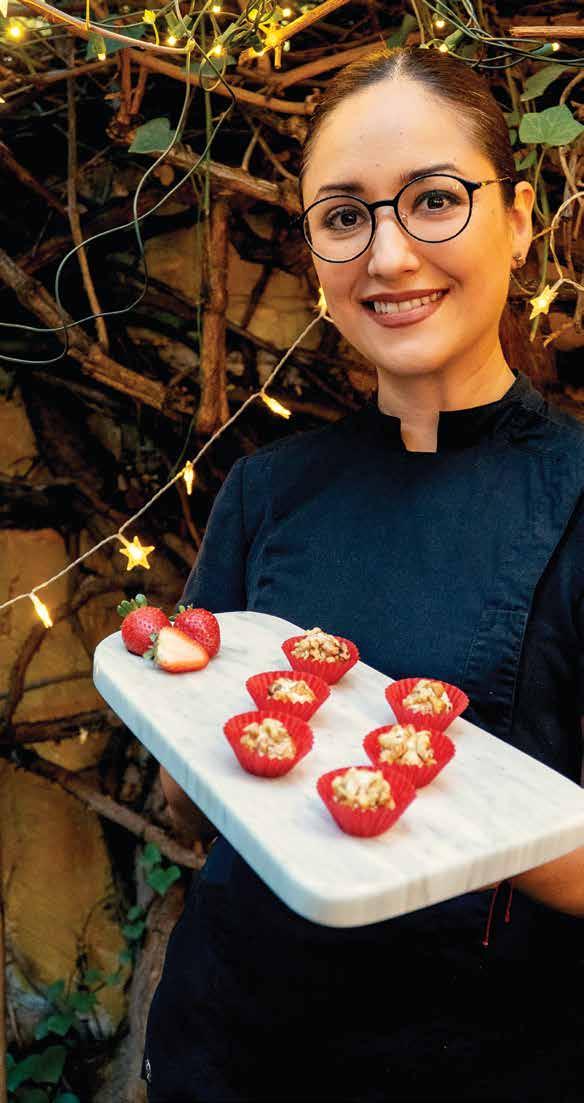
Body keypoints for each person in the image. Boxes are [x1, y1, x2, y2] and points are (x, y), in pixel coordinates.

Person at [143, 46, 584, 1102]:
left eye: (433, 199)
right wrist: (177, 717)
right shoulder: (265, 488)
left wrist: (427, 798)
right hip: (224, 1047)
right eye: (344, 216)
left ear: (519, 219)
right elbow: (190, 798)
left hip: (471, 1066)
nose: (388, 256)